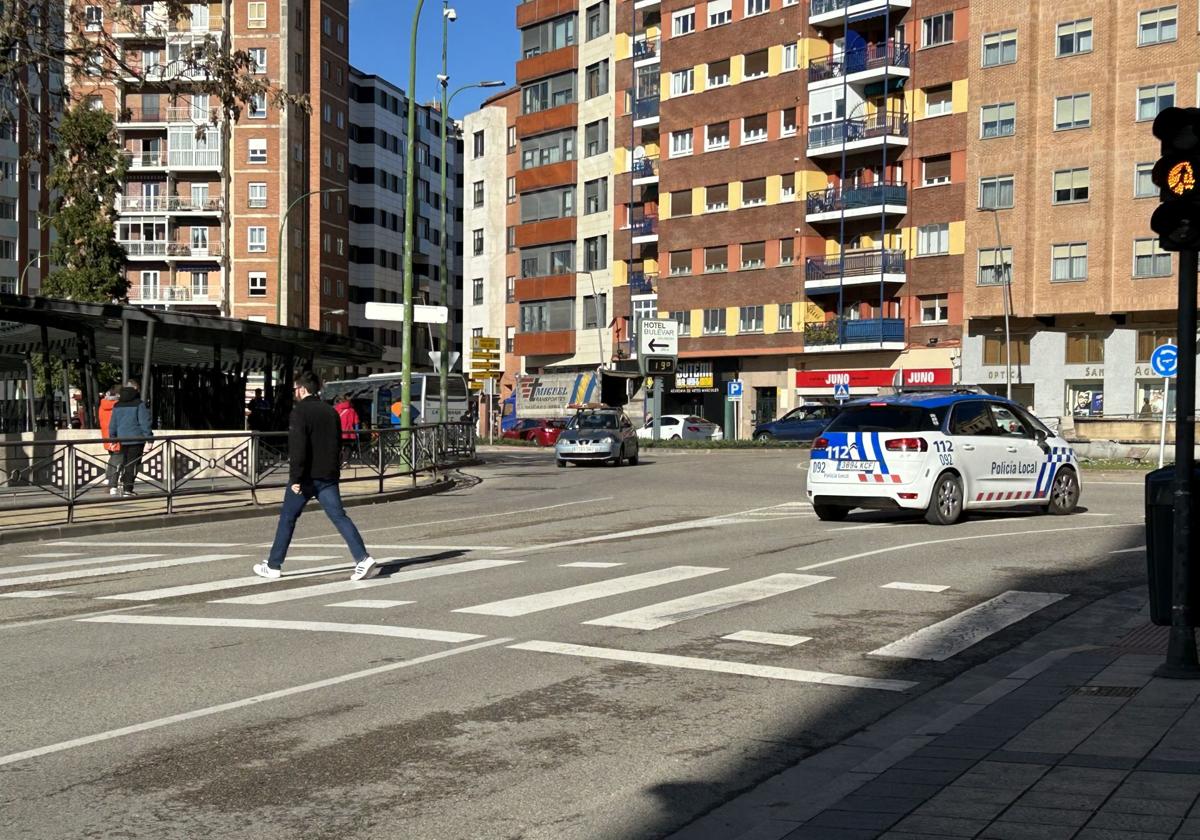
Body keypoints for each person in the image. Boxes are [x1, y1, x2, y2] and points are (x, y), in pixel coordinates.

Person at [255, 370, 378, 581]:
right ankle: (362, 558)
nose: (294, 393)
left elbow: (298, 448)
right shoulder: (330, 411)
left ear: (302, 389)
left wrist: (295, 479)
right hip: (328, 476)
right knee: (339, 517)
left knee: (287, 518)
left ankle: (274, 565)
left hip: (305, 478)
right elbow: (337, 443)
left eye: (295, 389)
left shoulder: (299, 412)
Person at [109, 380, 152, 497]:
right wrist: (149, 439)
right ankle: (128, 489)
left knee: (123, 462)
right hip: (136, 439)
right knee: (133, 464)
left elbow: (113, 423)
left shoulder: (117, 405)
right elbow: (144, 423)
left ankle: (121, 485)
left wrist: (112, 439)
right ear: (135, 389)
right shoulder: (139, 404)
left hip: (122, 439)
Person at [98, 386, 121, 496]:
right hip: (116, 436)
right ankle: (113, 485)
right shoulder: (118, 406)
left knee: (112, 458)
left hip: (107, 437)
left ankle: (108, 479)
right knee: (117, 461)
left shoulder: (102, 405)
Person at [334, 394, 360, 462]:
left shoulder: (336, 409)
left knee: (338, 447)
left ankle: (338, 462)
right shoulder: (352, 410)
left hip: (338, 432)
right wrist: (357, 433)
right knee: (348, 447)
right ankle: (345, 461)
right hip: (349, 433)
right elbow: (356, 422)